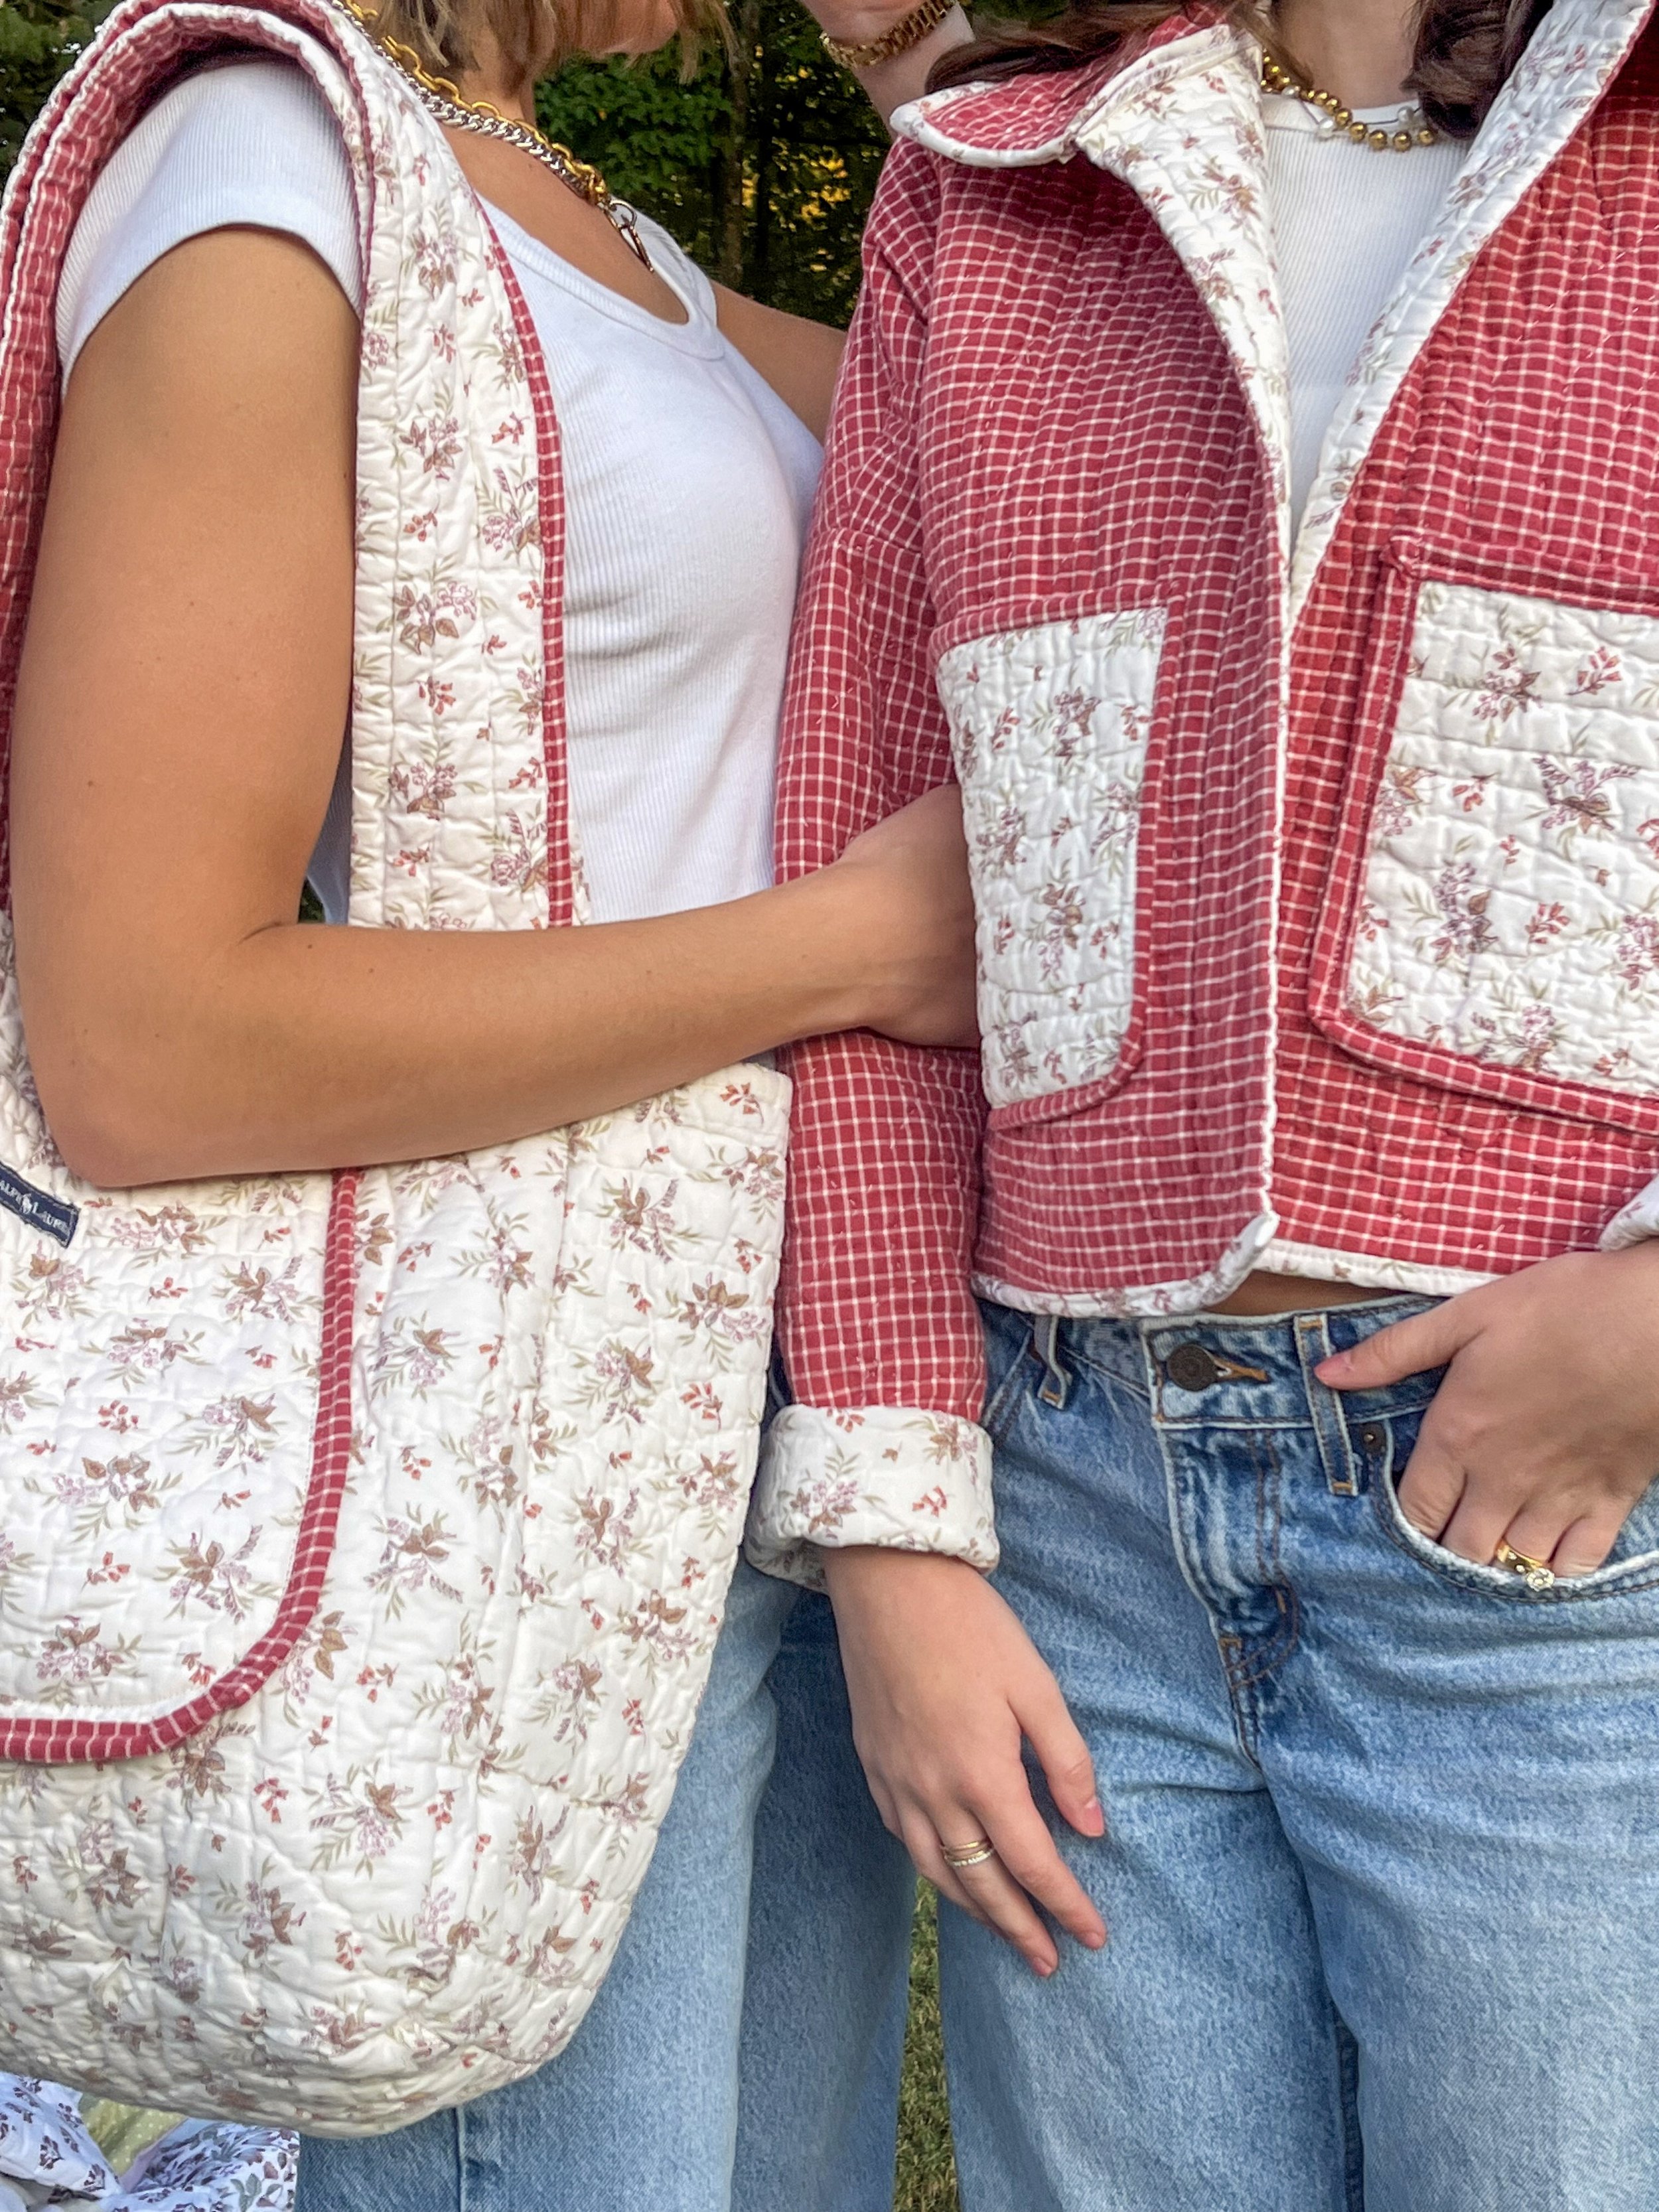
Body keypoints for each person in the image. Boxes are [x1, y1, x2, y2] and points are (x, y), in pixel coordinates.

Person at [4, 0, 976, 2200]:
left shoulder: (570, 214)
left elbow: (1043, 426)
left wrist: (945, 77)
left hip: (743, 1451)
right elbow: (144, 1039)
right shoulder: (264, 185)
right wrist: (852, 950)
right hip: (494, 1473)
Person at [752, 0, 1659, 2201]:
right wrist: (892, 1534)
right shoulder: (987, 192)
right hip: (1069, 1530)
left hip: (1565, 1522)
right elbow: (859, 861)